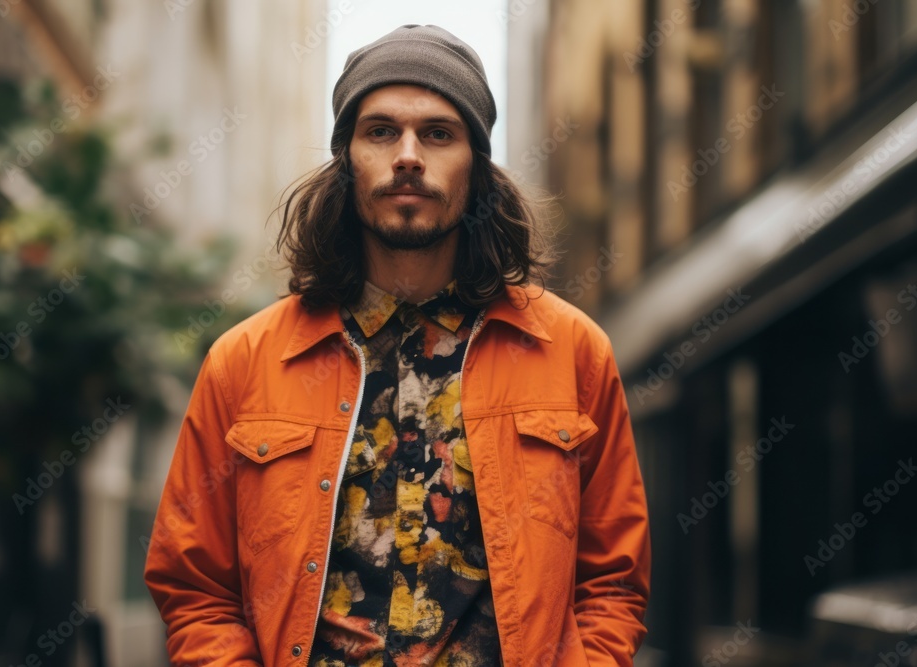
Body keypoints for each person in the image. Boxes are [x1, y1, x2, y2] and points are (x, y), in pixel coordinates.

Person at [144, 23, 650, 667]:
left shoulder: (573, 352)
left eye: (438, 133)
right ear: (346, 160)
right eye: (380, 131)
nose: (407, 155)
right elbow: (195, 588)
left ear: (477, 165)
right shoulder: (245, 362)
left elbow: (612, 581)